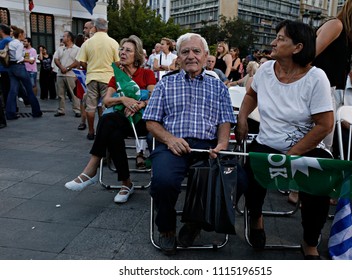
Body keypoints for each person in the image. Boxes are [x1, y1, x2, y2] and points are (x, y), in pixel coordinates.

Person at [235, 20, 334, 259]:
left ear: (298, 47)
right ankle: (256, 218)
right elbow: (250, 95)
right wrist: (242, 118)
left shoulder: (316, 78)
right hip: (267, 142)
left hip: (306, 146)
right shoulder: (267, 70)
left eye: (280, 38)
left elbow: (325, 125)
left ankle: (309, 241)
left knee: (318, 188)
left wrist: (292, 155)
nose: (273, 42)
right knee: (249, 175)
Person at [143, 32, 237, 255]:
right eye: (185, 51)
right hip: (172, 144)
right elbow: (151, 122)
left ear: (205, 56)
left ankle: (195, 223)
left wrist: (223, 143)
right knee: (163, 182)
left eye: (196, 51)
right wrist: (169, 139)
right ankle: (166, 229)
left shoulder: (219, 87)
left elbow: (225, 121)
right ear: (178, 56)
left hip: (207, 146)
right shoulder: (166, 85)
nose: (191, 56)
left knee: (235, 179)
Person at [65, 35, 156, 203]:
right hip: (122, 120)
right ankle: (125, 183)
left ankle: (92, 169)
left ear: (136, 55)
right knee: (112, 130)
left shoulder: (147, 74)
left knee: (108, 123)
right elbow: (106, 101)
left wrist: (140, 104)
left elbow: (155, 98)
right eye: (121, 49)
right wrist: (122, 100)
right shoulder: (116, 76)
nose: (123, 52)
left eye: (128, 50)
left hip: (142, 122)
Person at [312, 0, 352, 150]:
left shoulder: (345, 34)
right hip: (316, 92)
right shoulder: (336, 25)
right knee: (320, 144)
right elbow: (309, 56)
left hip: (328, 92)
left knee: (323, 145)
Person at [77, 18, 120, 140]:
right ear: (106, 28)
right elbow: (117, 63)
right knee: (107, 106)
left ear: (94, 27)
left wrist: (90, 68)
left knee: (90, 106)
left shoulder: (88, 43)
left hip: (91, 77)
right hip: (108, 78)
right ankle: (105, 130)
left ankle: (91, 131)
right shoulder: (113, 43)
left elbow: (82, 62)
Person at [5, 27, 42, 120]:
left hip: (11, 67)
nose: (24, 37)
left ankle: (10, 113)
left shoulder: (10, 43)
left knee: (12, 91)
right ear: (20, 34)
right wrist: (28, 60)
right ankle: (36, 111)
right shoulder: (19, 44)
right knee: (29, 89)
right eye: (24, 34)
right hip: (19, 67)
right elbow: (19, 58)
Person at [53, 31, 81, 117]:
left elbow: (77, 62)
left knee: (74, 94)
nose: (62, 38)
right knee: (60, 94)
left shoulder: (77, 49)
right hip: (60, 74)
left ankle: (77, 110)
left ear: (69, 38)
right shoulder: (60, 48)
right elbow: (56, 59)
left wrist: (67, 68)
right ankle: (61, 110)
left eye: (64, 36)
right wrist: (61, 67)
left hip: (71, 74)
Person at [0, 23, 13, 128]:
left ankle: (9, 110)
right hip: (8, 69)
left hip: (4, 69)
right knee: (10, 89)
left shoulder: (5, 41)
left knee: (6, 90)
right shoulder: (11, 40)